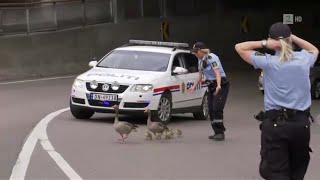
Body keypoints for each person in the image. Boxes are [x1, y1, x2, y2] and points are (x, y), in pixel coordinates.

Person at [235, 22, 319, 180]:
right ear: (290, 40)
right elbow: (314, 49)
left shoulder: (267, 62)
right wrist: (292, 37)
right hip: (301, 124)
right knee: (297, 169)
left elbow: (239, 47)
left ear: (273, 42)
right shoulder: (304, 59)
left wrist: (264, 43)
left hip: (275, 125)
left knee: (276, 171)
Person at [188, 42, 230, 141]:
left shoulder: (212, 58)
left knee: (217, 107)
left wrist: (219, 85)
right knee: (210, 109)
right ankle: (216, 132)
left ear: (202, 51)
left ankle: (220, 132)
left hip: (221, 85)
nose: (195, 54)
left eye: (196, 51)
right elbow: (200, 75)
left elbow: (217, 73)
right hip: (211, 85)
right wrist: (194, 86)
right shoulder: (200, 60)